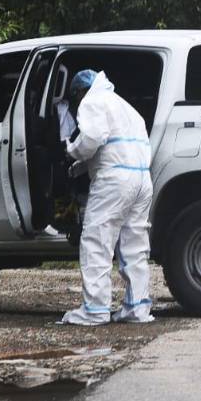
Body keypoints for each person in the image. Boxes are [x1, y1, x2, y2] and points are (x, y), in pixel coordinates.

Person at [60, 70, 155, 326]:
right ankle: (137, 309)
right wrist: (81, 166)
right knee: (134, 245)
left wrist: (71, 150)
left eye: (75, 98)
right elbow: (116, 145)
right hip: (141, 178)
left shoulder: (93, 101)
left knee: (96, 240)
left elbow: (91, 139)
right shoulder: (125, 106)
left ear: (81, 91)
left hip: (114, 181)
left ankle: (95, 310)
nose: (77, 104)